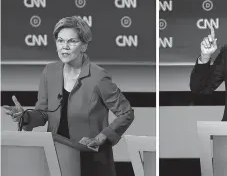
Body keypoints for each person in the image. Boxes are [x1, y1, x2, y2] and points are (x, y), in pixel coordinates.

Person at [3, 16, 134, 176]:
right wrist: (26, 117)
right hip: (57, 157)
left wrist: (101, 137)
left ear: (84, 46)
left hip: (91, 160)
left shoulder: (98, 76)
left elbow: (126, 113)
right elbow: (44, 113)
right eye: (60, 41)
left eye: (71, 41)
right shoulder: (49, 72)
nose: (64, 47)